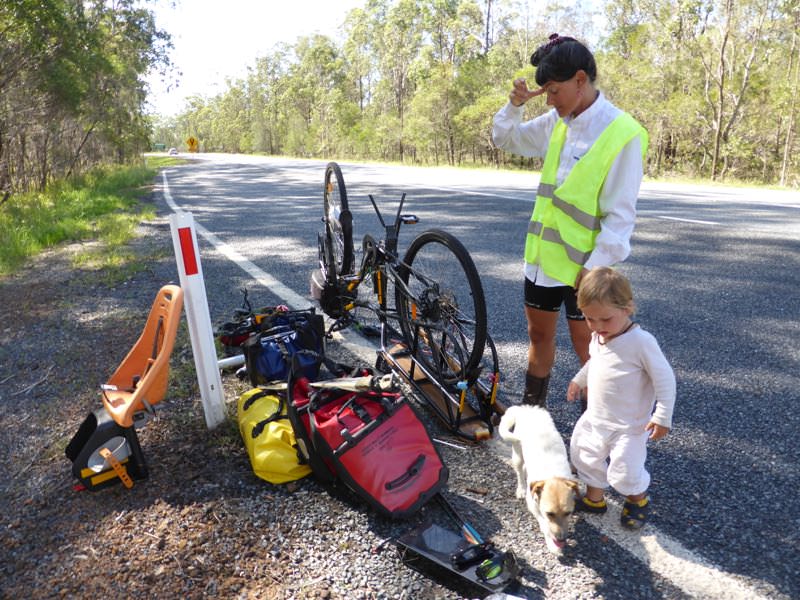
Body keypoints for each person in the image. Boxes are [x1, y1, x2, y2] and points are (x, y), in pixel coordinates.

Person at [492, 33, 648, 409]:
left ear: (580, 80)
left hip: (585, 269)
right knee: (538, 337)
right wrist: (514, 105)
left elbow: (621, 215)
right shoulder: (556, 121)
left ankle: (601, 432)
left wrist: (593, 269)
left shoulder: (622, 134)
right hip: (543, 262)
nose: (548, 99)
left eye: (553, 90)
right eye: (544, 91)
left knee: (590, 347)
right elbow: (506, 139)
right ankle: (533, 421)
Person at [566, 267, 676, 529]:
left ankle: (637, 499)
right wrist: (579, 379)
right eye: (590, 319)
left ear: (627, 308)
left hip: (629, 426)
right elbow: (596, 362)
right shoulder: (599, 337)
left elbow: (665, 379)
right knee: (583, 455)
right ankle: (595, 499)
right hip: (596, 417)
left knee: (625, 472)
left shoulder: (641, 342)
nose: (597, 327)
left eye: (605, 319)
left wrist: (662, 415)